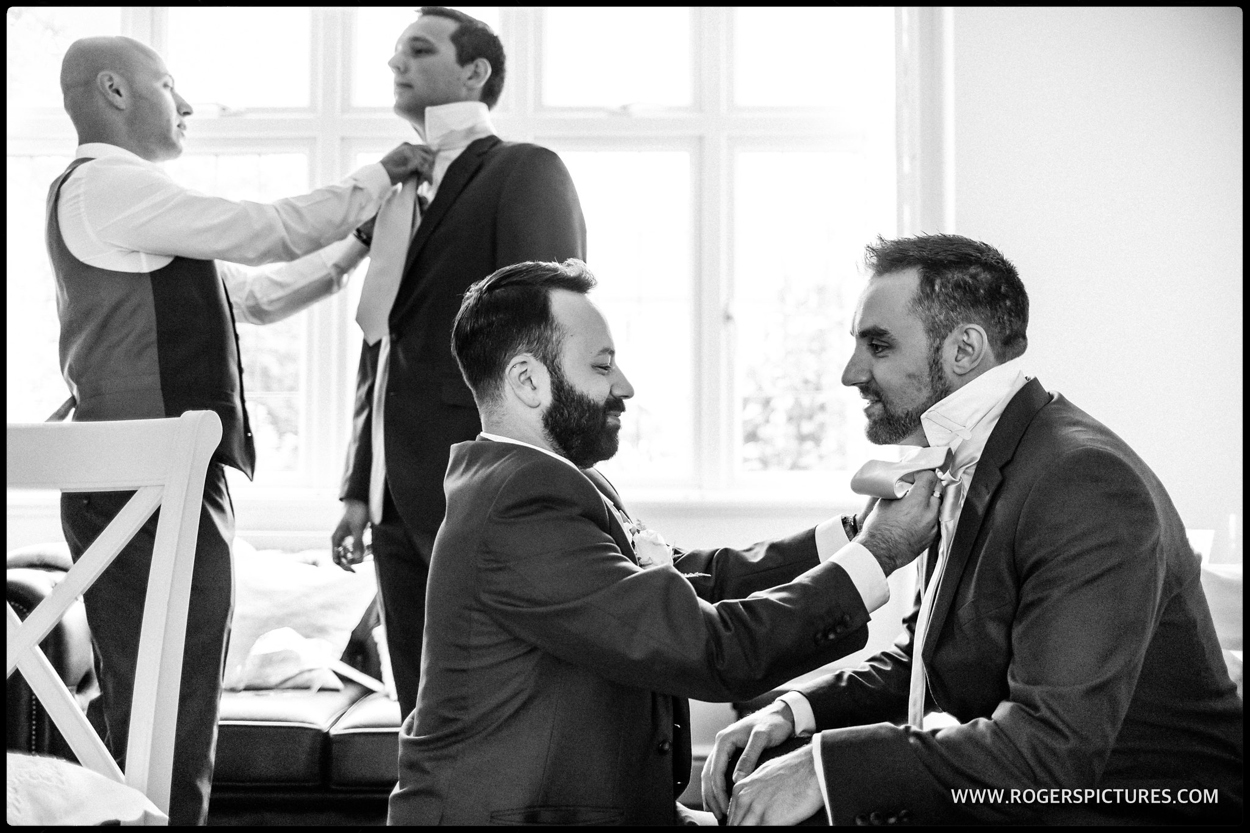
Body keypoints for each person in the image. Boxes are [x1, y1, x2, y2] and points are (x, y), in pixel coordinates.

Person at [702, 233, 1245, 825]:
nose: (849, 372)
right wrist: (796, 710)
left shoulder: (1083, 482)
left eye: (877, 345)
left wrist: (824, 767)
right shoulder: (970, 459)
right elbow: (931, 659)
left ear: (964, 350)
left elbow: (1049, 756)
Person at [387, 258, 944, 825]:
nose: (624, 387)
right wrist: (879, 556)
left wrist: (848, 534)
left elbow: (686, 579)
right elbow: (711, 648)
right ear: (528, 381)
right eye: (602, 367)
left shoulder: (550, 479)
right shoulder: (518, 504)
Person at [49, 35, 430, 825]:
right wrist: (378, 176)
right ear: (115, 92)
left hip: (168, 483)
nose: (184, 104)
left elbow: (251, 296)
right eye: (168, 84)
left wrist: (354, 248)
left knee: (178, 710)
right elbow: (265, 228)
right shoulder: (107, 187)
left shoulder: (138, 211)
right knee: (163, 718)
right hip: (142, 484)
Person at [329, 6, 587, 723]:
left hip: (481, 488)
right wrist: (359, 486)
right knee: (420, 716)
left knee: (494, 713)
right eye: (395, 52)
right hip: (391, 499)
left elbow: (548, 332)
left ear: (473, 71)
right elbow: (380, 339)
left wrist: (534, 483)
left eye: (417, 49)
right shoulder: (395, 190)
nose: (395, 63)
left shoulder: (524, 171)